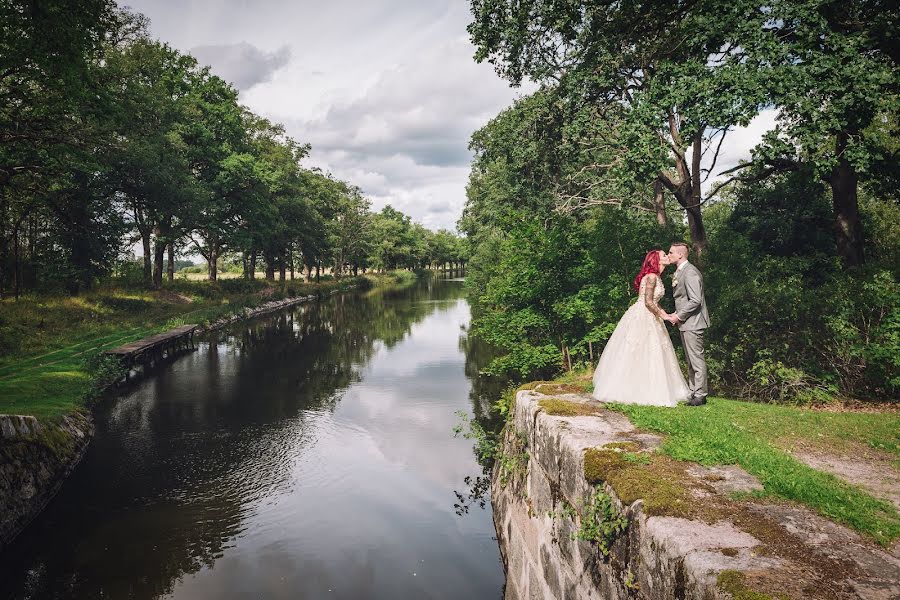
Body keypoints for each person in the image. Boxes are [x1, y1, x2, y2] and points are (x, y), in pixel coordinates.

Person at [592, 250, 689, 407]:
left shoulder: (656, 277)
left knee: (651, 352)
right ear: (655, 260)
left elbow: (654, 303)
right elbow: (648, 302)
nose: (666, 257)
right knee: (638, 351)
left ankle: (649, 388)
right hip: (643, 317)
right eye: (664, 255)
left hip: (651, 315)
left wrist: (666, 314)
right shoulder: (651, 277)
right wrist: (664, 316)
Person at [663, 242, 710, 406]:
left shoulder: (690, 272)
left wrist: (678, 316)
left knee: (696, 358)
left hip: (693, 322)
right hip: (686, 322)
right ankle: (693, 392)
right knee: (691, 360)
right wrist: (677, 315)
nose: (668, 255)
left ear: (681, 255)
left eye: (670, 253)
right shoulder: (680, 271)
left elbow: (696, 300)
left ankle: (701, 394)